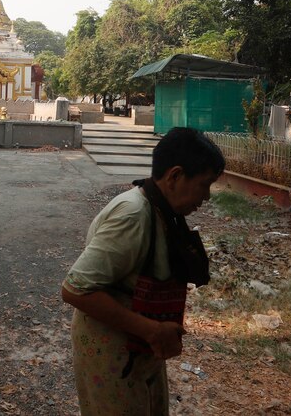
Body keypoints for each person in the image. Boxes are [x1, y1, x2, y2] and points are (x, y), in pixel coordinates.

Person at [61, 127, 225, 415]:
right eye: (204, 184)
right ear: (174, 176)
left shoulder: (163, 210)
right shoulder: (134, 214)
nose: (207, 196)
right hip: (112, 352)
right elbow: (75, 289)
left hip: (140, 351)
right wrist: (151, 330)